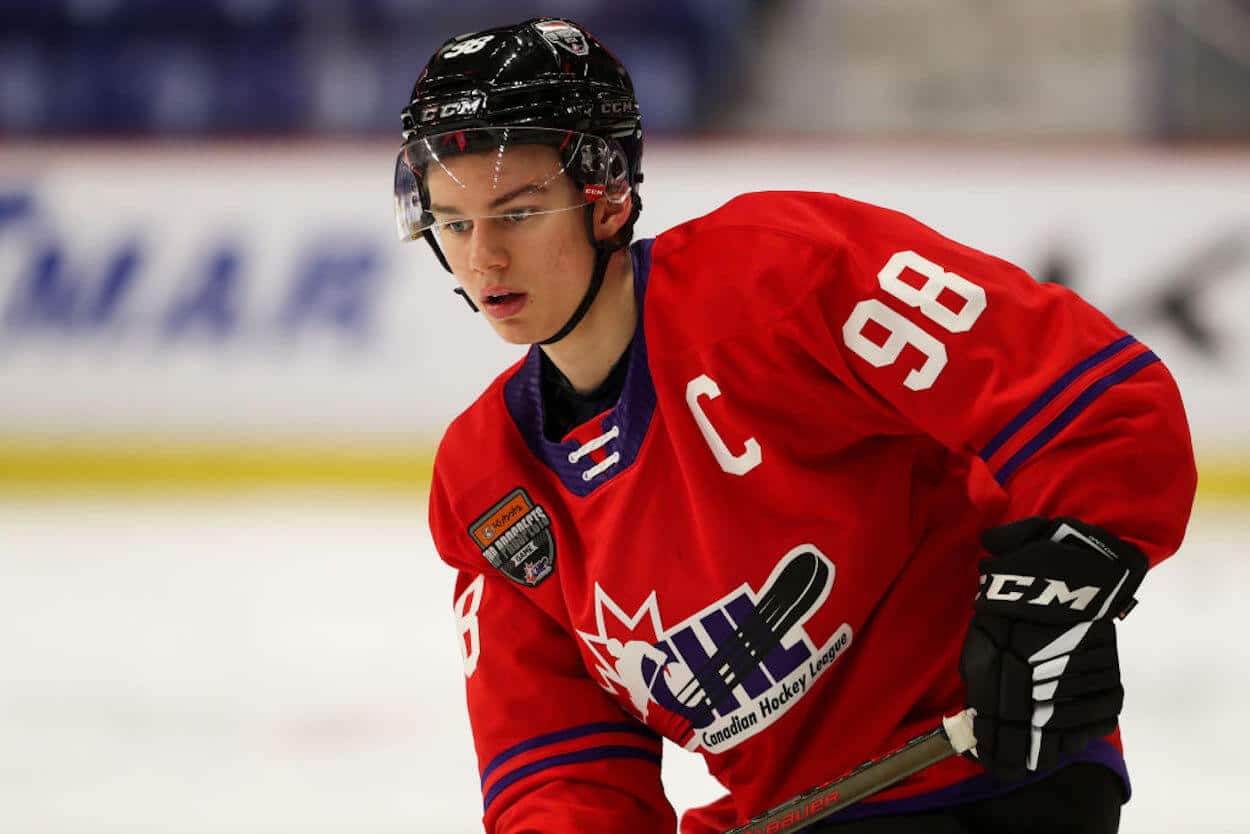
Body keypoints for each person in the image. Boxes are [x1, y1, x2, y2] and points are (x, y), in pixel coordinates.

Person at [396, 18, 1197, 834]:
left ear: (607, 196)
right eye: (455, 223)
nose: (483, 258)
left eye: (519, 214)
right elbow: (560, 772)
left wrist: (1052, 601)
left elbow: (1090, 400)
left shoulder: (781, 275)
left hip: (990, 780)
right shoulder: (489, 485)